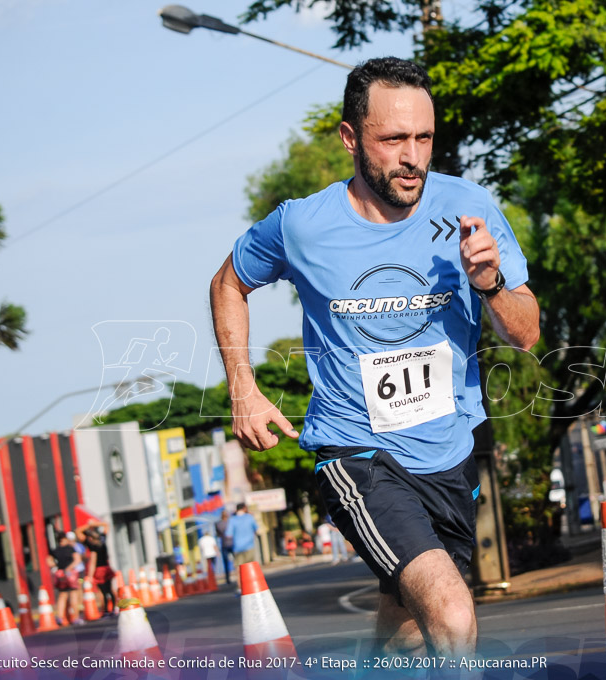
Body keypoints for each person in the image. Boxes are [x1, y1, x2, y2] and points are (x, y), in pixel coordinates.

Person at [210, 57, 539, 658]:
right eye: (392, 140)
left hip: (449, 451)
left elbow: (526, 334)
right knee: (451, 612)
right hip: (357, 452)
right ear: (350, 138)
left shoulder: (469, 206)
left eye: (424, 138)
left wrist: (490, 282)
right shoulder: (302, 225)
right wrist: (243, 387)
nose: (412, 156)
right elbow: (229, 283)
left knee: (408, 631)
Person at [77, 520, 115, 616]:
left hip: (99, 570)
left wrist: (89, 525)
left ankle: (106, 610)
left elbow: (77, 531)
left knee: (102, 592)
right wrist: (96, 524)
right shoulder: (102, 540)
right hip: (106, 568)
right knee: (109, 589)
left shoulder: (92, 546)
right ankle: (114, 608)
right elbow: (106, 524)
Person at [224, 502, 259, 580]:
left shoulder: (232, 520)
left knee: (239, 568)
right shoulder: (250, 517)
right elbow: (256, 529)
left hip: (237, 547)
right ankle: (252, 584)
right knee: (250, 566)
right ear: (244, 508)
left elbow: (228, 534)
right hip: (249, 545)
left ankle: (240, 587)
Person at [215, 510, 234, 584]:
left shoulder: (218, 524)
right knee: (237, 562)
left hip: (224, 544)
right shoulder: (230, 523)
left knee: (225, 562)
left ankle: (227, 578)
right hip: (232, 543)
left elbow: (218, 534)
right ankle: (239, 575)